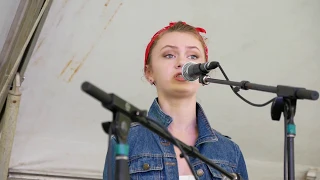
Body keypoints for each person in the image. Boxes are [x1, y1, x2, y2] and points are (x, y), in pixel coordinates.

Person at [103, 21, 249, 180]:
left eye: (193, 56)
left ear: (204, 72)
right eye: (169, 55)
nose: (182, 63)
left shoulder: (230, 151)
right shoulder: (125, 140)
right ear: (149, 72)